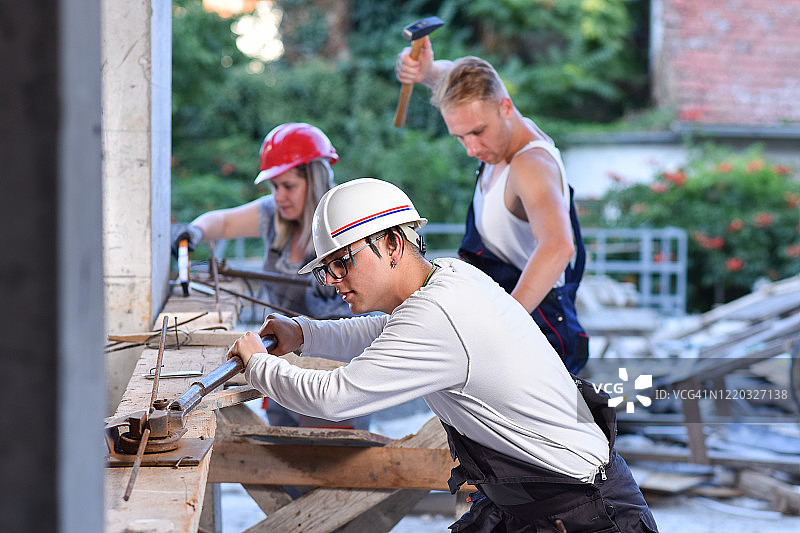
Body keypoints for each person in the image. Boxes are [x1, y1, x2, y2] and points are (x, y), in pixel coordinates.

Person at [227, 178, 658, 532]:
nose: (333, 280)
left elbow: (333, 398)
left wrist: (258, 365)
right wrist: (303, 333)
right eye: (326, 269)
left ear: (393, 244)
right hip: (536, 503)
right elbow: (382, 331)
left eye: (343, 262)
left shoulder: (437, 316)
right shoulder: (447, 277)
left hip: (587, 514)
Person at [395, 40, 590, 374]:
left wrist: (502, 325)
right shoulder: (496, 130)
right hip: (515, 315)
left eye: (477, 132)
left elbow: (559, 245)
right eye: (460, 137)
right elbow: (466, 78)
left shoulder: (531, 163)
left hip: (538, 326)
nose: (471, 148)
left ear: (505, 107)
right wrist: (426, 71)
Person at [171, 122, 368, 429]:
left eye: (288, 186)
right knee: (281, 458)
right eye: (274, 187)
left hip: (334, 379)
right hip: (280, 371)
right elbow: (222, 222)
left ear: (314, 180)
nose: (279, 196)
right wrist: (194, 230)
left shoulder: (344, 224)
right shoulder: (272, 215)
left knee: (332, 464)